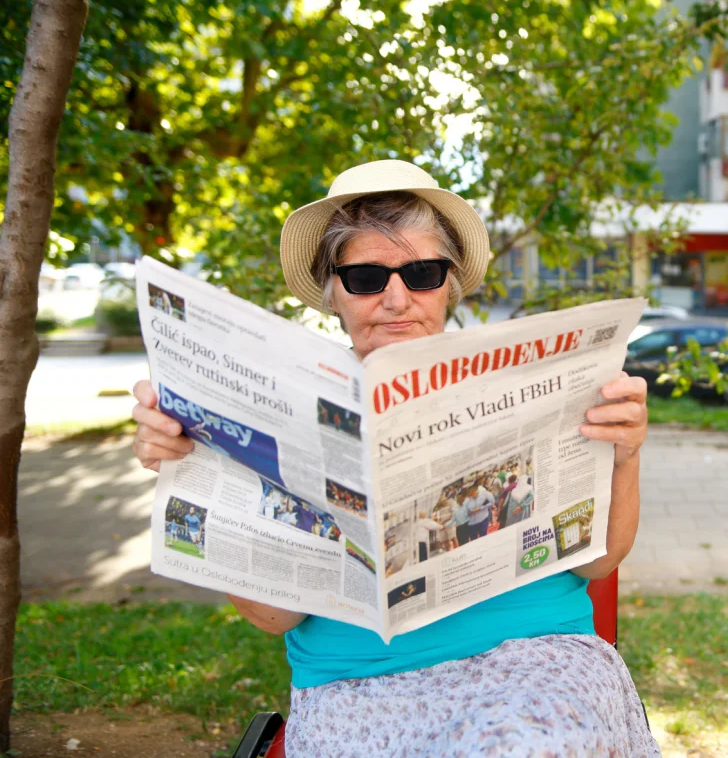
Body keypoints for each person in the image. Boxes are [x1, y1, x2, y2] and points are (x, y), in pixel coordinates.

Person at [129, 159, 655, 756]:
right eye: (366, 278)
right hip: (355, 686)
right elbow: (273, 618)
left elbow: (598, 562)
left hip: (534, 662)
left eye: (423, 272)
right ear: (333, 293)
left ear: (449, 284)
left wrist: (628, 455)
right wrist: (192, 463)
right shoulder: (281, 404)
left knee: (523, 745)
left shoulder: (530, 377)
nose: (397, 299)